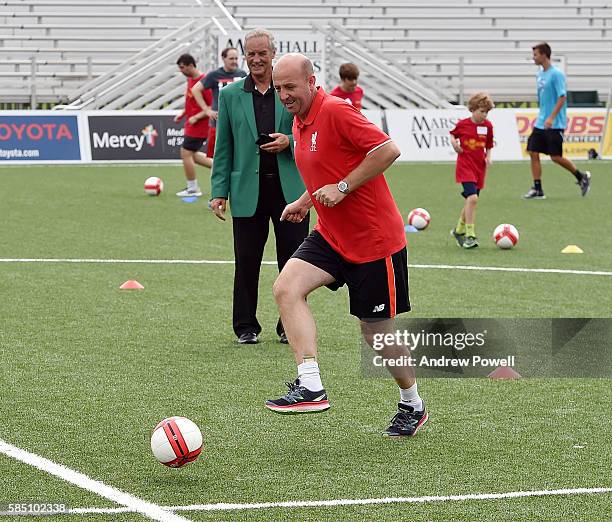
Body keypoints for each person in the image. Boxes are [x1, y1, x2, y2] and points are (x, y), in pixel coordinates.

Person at [267, 53, 428, 437]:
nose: (284, 95)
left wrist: (343, 187)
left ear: (311, 81)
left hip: (373, 241)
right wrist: (305, 201)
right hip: (331, 235)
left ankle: (412, 403)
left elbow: (388, 150)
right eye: (278, 88)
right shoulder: (299, 121)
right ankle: (310, 385)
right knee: (286, 288)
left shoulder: (337, 110)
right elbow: (325, 168)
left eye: (290, 87)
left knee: (376, 333)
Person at [209, 29, 309, 345]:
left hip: (290, 191)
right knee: (246, 261)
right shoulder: (230, 95)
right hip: (246, 191)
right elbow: (223, 146)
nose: (255, 59)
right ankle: (245, 326)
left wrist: (289, 142)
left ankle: (287, 326)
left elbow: (311, 134)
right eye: (250, 54)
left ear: (272, 54)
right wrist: (218, 191)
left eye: (261, 53)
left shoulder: (290, 91)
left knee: (294, 262)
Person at [523, 42, 591, 199]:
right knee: (533, 152)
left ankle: (581, 177)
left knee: (555, 157)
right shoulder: (539, 74)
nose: (534, 58)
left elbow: (562, 96)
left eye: (536, 54)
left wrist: (552, 117)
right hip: (541, 122)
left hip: (554, 123)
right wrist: (543, 116)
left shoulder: (556, 74)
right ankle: (537, 188)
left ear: (544, 55)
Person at [449, 92, 495, 249]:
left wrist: (488, 157)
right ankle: (470, 235)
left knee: (470, 201)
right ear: (473, 109)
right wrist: (455, 144)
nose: (484, 115)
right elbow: (452, 135)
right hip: (465, 166)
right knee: (473, 198)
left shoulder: (487, 126)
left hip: (479, 168)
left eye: (486, 112)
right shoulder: (463, 124)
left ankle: (458, 230)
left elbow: (489, 145)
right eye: (482, 111)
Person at [192, 47, 247, 158]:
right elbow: (195, 89)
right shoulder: (215, 75)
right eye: (231, 58)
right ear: (223, 58)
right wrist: (207, 110)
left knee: (238, 157)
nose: (234, 61)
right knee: (215, 158)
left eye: (236, 58)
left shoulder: (242, 74)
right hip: (218, 124)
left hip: (237, 124)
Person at [174, 54, 214, 198]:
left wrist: (197, 117)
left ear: (191, 65)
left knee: (185, 152)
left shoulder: (204, 82)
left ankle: (192, 188)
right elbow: (192, 102)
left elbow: (211, 106)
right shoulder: (190, 80)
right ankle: (219, 167)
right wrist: (183, 113)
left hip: (200, 126)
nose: (181, 71)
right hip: (191, 124)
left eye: (182, 67)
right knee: (193, 156)